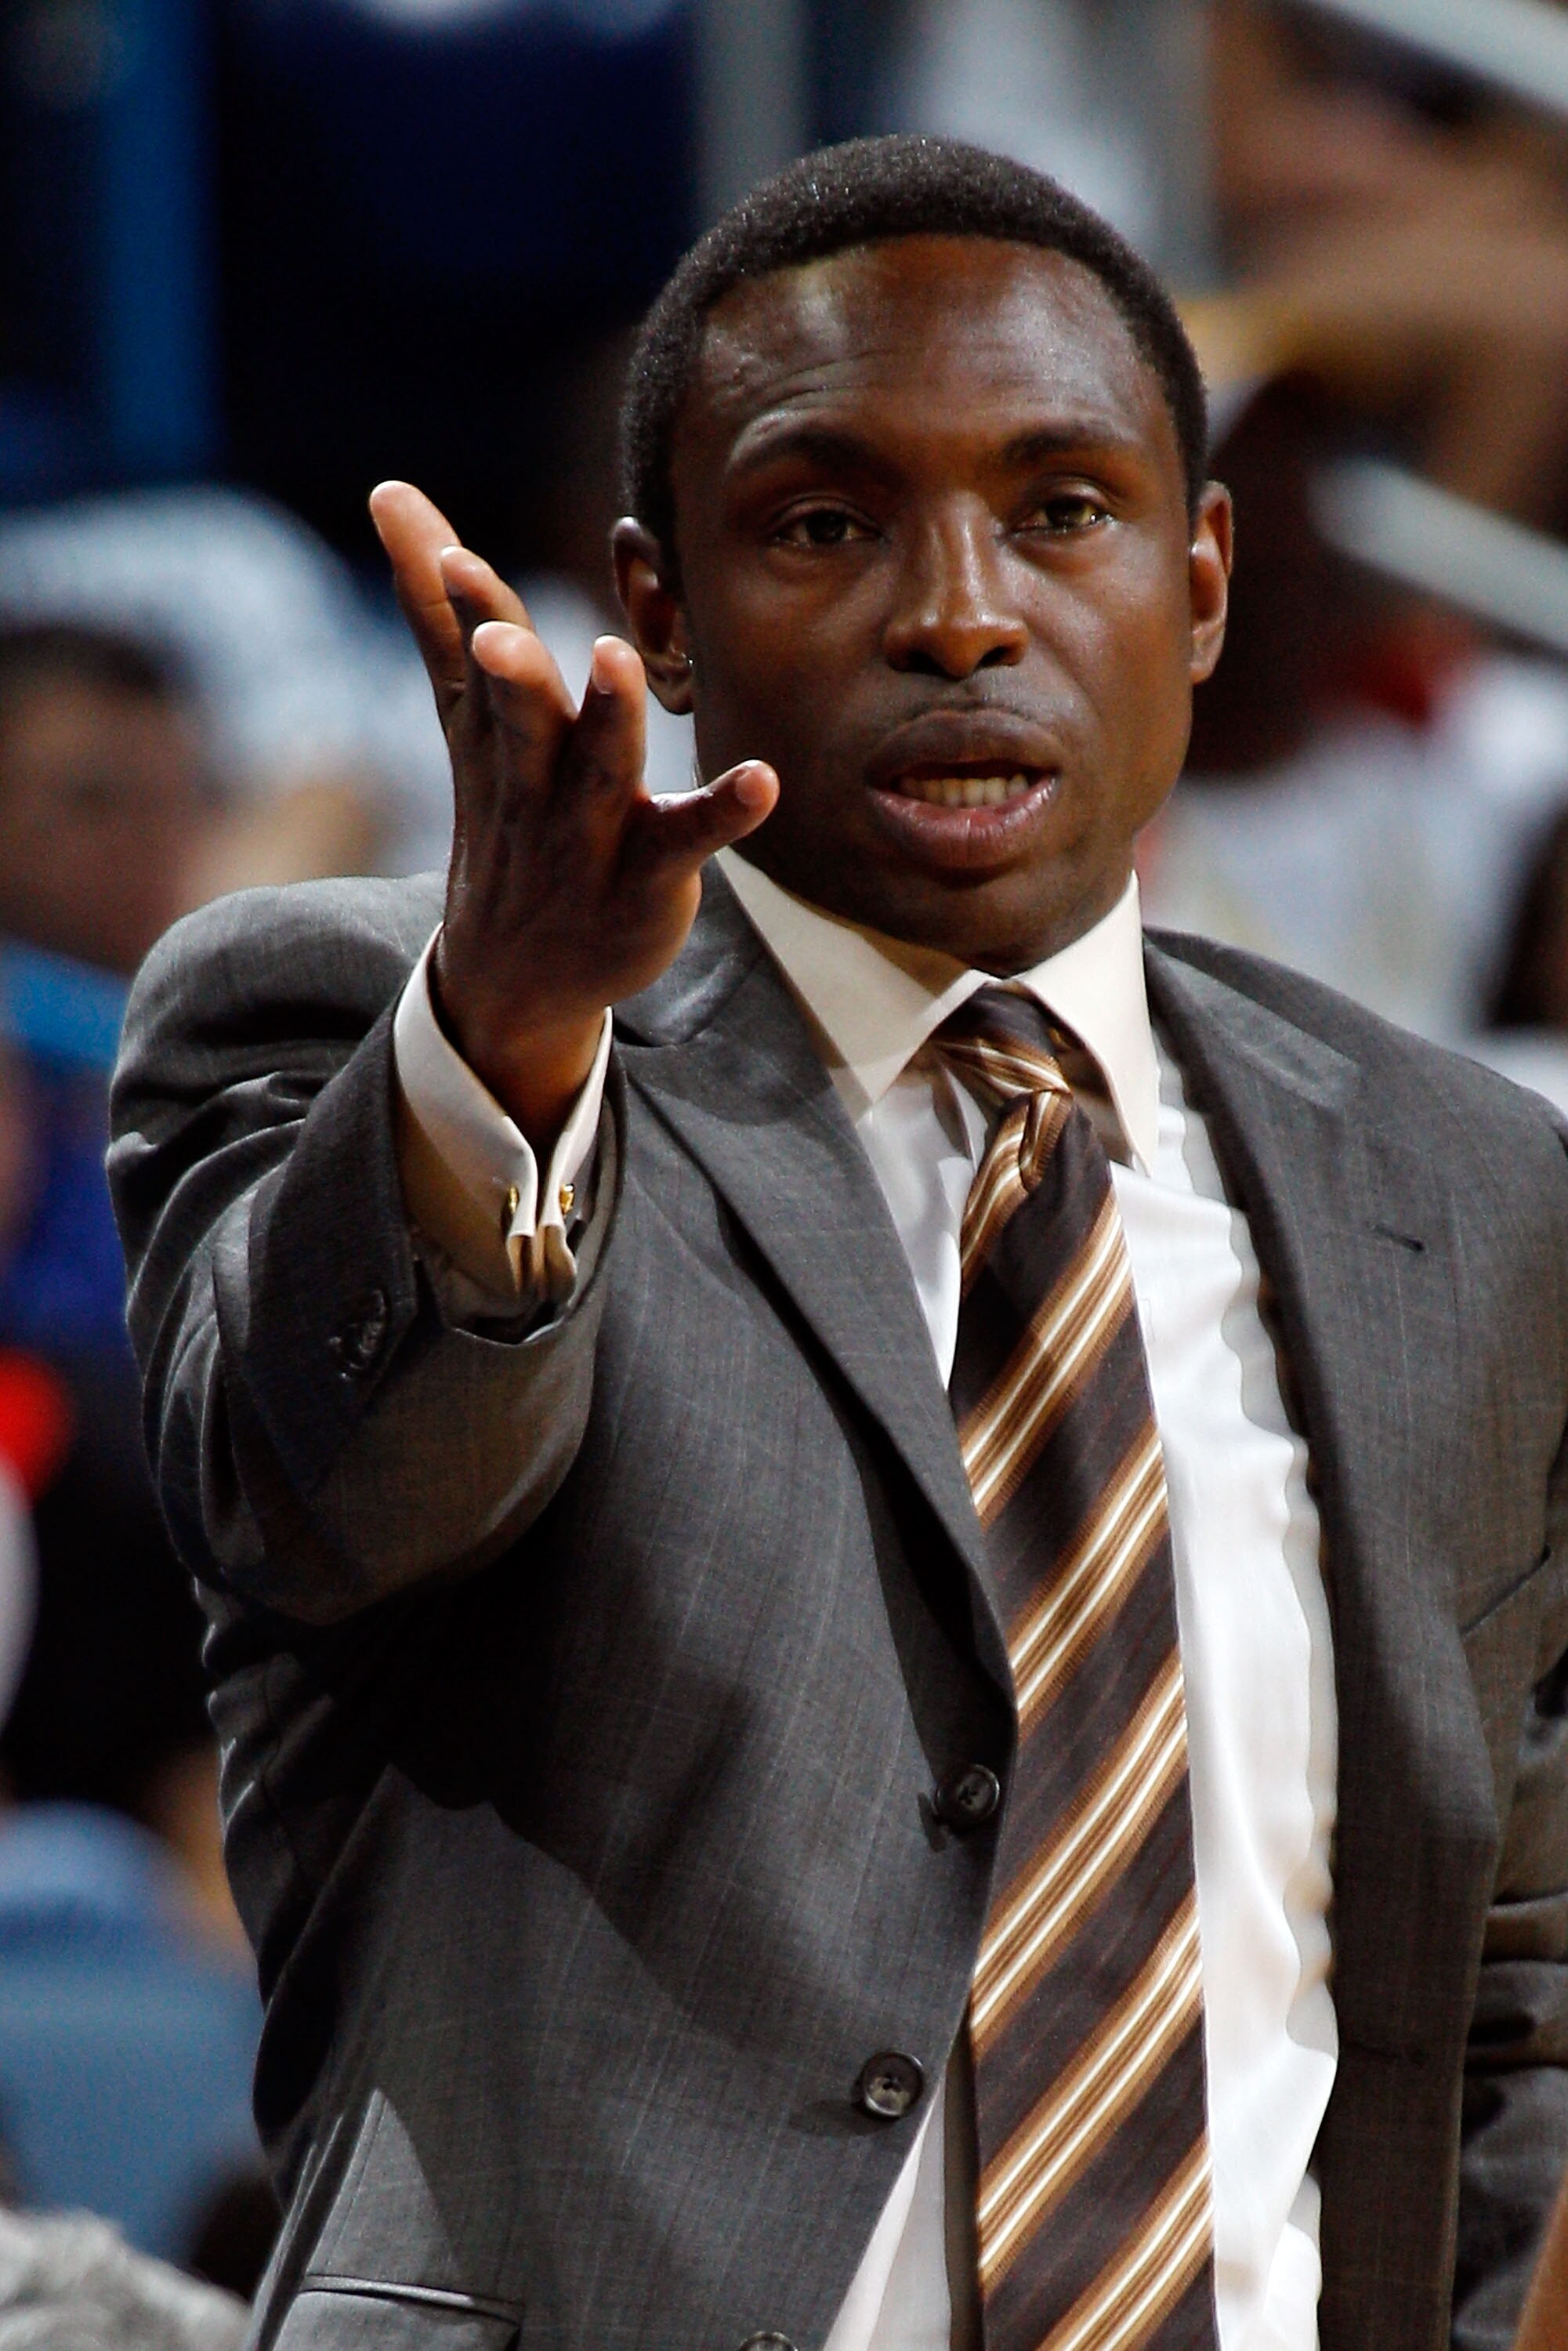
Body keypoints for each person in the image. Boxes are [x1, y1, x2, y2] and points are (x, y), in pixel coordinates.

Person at [108, 139, 1568, 2351]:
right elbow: (343, 1496)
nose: (957, 610)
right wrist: (510, 1029)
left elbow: (1499, 1974)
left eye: (1060, 513)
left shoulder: (1462, 1187)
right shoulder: (378, 1033)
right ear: (658, 611)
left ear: (1194, 587)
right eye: (822, 522)